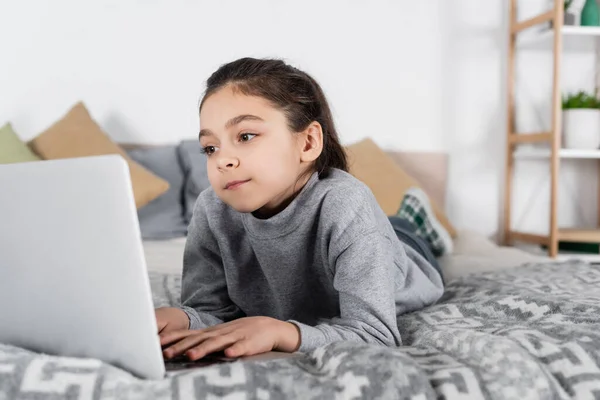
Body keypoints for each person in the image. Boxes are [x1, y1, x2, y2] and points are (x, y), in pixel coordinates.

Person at [156, 57, 451, 362]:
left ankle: (418, 216)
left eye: (245, 136)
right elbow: (211, 311)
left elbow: (375, 334)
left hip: (406, 251)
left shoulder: (346, 203)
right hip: (360, 233)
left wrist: (281, 333)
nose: (222, 160)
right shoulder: (211, 208)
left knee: (407, 229)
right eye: (210, 148)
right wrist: (182, 319)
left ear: (308, 142)